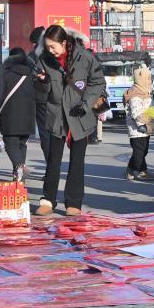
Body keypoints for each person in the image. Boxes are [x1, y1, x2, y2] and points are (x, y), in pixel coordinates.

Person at [35, 25, 106, 216]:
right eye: (47, 46)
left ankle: (73, 202)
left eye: (54, 46)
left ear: (64, 43)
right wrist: (42, 82)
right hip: (57, 115)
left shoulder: (85, 58)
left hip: (80, 115)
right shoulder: (44, 60)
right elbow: (41, 93)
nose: (51, 50)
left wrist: (86, 103)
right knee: (53, 160)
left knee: (77, 161)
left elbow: (98, 81)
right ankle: (48, 199)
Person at [0, 47, 36, 182]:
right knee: (22, 144)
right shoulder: (31, 75)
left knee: (10, 143)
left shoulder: (5, 74)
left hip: (10, 116)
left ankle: (19, 167)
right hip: (28, 115)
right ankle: (19, 176)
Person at [125, 66, 154, 181]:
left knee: (143, 150)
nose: (149, 81)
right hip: (137, 129)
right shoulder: (135, 93)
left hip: (145, 128)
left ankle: (130, 169)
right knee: (139, 151)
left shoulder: (145, 92)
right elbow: (136, 112)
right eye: (147, 78)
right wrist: (141, 124)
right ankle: (140, 171)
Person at [29, 26, 50, 165]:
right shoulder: (53, 52)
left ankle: (50, 165)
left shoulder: (34, 56)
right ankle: (53, 165)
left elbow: (30, 73)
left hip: (41, 98)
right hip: (55, 98)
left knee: (45, 134)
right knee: (53, 135)